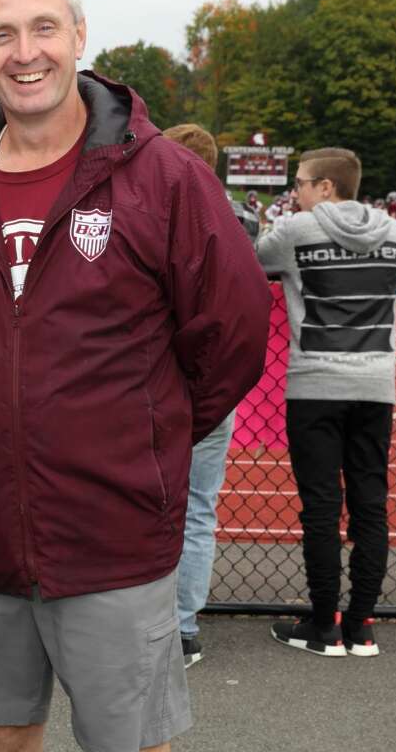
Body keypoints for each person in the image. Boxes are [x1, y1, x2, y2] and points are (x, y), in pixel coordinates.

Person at [0, 0, 271, 752]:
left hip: (111, 535)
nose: (25, 51)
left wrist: (149, 430)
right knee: (4, 738)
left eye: (44, 27)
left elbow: (236, 330)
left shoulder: (165, 178)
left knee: (131, 742)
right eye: (1, 34)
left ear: (79, 35)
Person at [258, 148, 396, 658]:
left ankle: (323, 625)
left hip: (316, 385)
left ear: (326, 187)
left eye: (301, 183)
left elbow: (256, 259)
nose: (295, 192)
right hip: (374, 386)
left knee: (320, 509)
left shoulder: (297, 232)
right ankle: (363, 625)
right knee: (371, 504)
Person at [160, 123, 257, 668]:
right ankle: (183, 627)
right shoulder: (241, 219)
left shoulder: (164, 209)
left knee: (147, 504)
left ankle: (149, 623)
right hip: (215, 384)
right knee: (198, 508)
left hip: (164, 382)